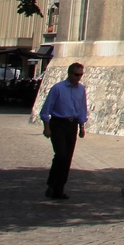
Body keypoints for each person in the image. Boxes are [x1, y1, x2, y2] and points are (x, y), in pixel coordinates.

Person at [39, 62, 89, 200]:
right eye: (76, 75)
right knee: (60, 155)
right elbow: (46, 109)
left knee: (67, 157)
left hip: (72, 125)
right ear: (70, 73)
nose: (78, 78)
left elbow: (82, 108)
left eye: (81, 75)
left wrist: (81, 127)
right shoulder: (58, 88)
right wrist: (46, 127)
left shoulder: (81, 89)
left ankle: (59, 188)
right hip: (58, 123)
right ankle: (52, 184)